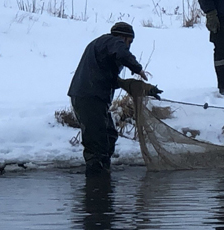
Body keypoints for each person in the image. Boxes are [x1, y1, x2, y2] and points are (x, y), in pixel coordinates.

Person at [68, 22, 160, 176]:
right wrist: (137, 68)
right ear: (123, 37)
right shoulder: (112, 41)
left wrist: (143, 88)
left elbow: (110, 79)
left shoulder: (102, 48)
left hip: (89, 97)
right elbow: (122, 53)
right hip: (89, 98)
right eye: (129, 42)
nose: (129, 46)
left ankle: (103, 175)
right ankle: (96, 183)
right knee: (97, 141)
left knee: (109, 134)